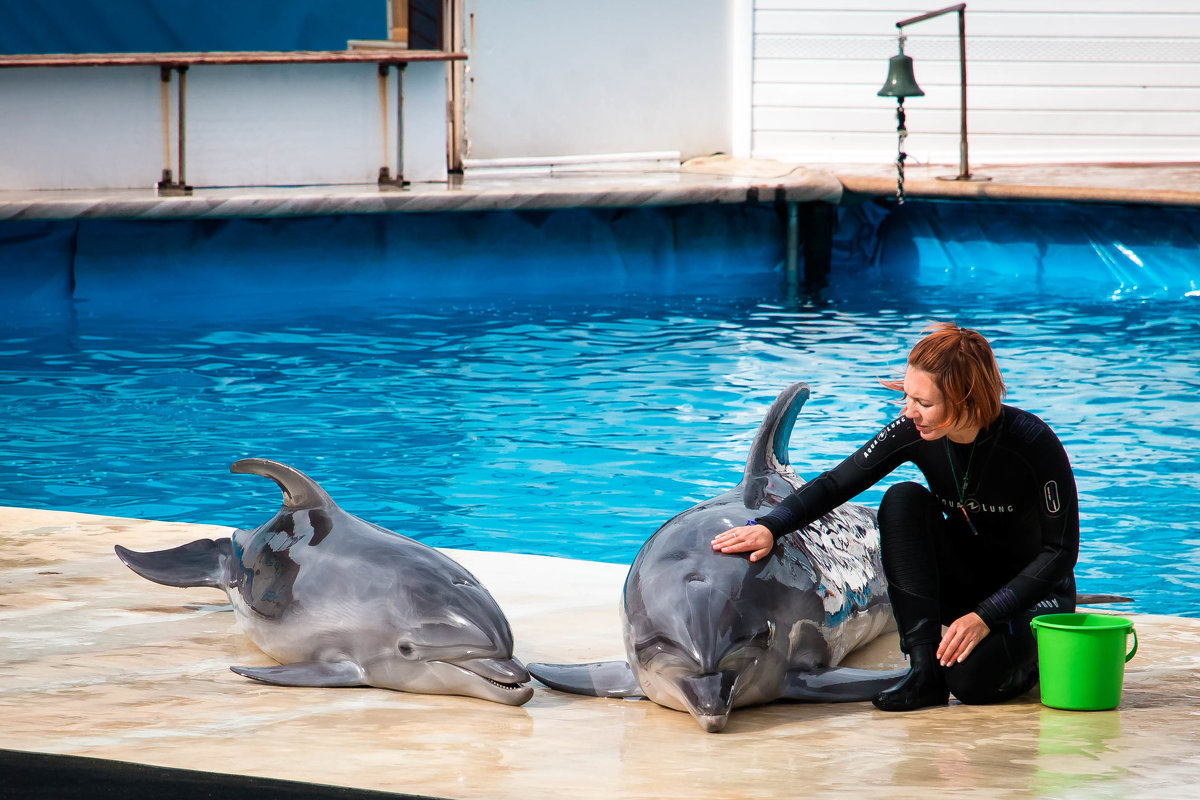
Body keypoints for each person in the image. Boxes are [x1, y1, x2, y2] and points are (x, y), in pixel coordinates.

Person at [710, 322, 1079, 711]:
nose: (909, 412)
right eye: (907, 396)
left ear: (967, 399)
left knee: (972, 683)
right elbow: (837, 483)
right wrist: (771, 526)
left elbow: (1059, 553)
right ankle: (923, 674)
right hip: (972, 587)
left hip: (1035, 597)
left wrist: (986, 616)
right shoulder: (917, 430)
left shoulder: (1032, 444)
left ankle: (1027, 658)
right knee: (903, 500)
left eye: (924, 403)